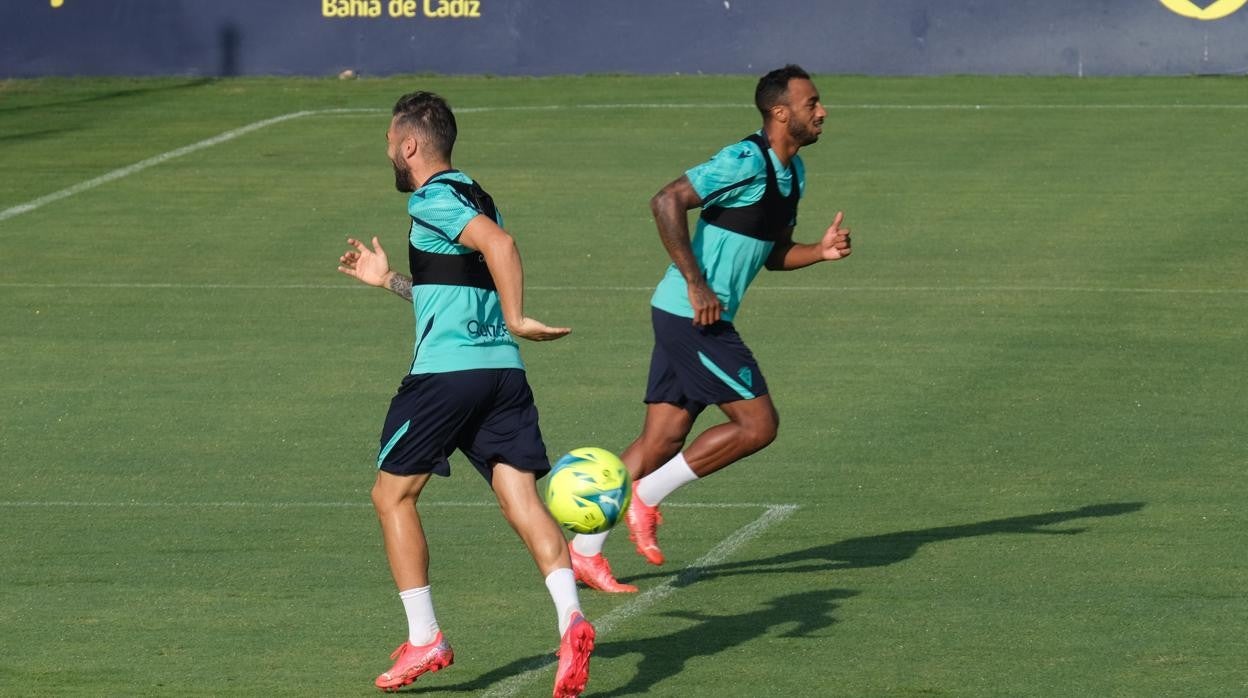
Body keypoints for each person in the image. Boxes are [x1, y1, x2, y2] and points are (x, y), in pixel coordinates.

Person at [336, 91, 594, 696]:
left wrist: (521, 314)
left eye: (389, 146)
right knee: (521, 500)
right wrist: (389, 280)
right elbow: (453, 286)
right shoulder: (475, 192)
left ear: (409, 145)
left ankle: (425, 637)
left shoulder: (431, 198)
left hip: (446, 376)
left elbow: (500, 250)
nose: (389, 157)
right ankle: (572, 620)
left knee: (391, 495)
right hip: (501, 372)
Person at [568, 65, 854, 593]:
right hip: (693, 316)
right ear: (779, 112)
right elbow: (666, 200)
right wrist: (696, 282)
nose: (822, 110)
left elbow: (770, 256)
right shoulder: (744, 160)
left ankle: (582, 551)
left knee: (662, 438)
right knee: (758, 425)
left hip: (688, 314)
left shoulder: (794, 175)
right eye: (811, 102)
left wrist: (820, 251)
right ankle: (647, 498)